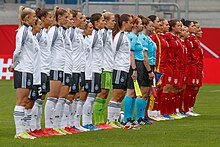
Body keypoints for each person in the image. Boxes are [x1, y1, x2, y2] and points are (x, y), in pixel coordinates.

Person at [9, 6, 37, 139]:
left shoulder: (28, 31)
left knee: (26, 100)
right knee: (21, 100)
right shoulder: (23, 32)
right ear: (27, 18)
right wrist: (14, 64)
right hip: (24, 69)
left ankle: (24, 130)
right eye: (33, 17)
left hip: (28, 69)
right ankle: (19, 132)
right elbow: (17, 50)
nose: (35, 19)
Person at [44, 6, 68, 135]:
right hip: (54, 66)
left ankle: (54, 126)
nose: (67, 19)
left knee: (57, 97)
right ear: (59, 17)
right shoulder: (53, 30)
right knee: (52, 97)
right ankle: (49, 126)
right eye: (65, 17)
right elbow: (48, 48)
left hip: (60, 66)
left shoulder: (60, 30)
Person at [28, 8, 53, 137]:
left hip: (45, 69)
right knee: (36, 98)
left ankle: (37, 127)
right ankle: (33, 127)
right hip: (40, 69)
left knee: (41, 99)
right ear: (43, 18)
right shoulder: (37, 33)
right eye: (49, 17)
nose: (51, 19)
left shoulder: (44, 32)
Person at [107, 14, 133, 128]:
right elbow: (113, 51)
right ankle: (110, 120)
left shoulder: (125, 36)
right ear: (124, 23)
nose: (131, 25)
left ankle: (116, 120)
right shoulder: (119, 36)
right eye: (130, 22)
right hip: (118, 68)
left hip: (125, 69)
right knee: (116, 95)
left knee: (121, 95)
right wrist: (113, 66)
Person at [82, 13, 105, 131]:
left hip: (97, 68)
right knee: (90, 97)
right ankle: (86, 122)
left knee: (93, 95)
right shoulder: (93, 35)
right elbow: (87, 52)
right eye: (102, 20)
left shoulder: (98, 34)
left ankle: (89, 122)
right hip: (92, 69)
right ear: (96, 23)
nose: (104, 22)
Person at [93, 11, 116, 129]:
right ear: (105, 21)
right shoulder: (102, 33)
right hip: (103, 67)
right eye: (112, 20)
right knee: (102, 93)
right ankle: (98, 120)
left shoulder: (108, 33)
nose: (114, 22)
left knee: (105, 93)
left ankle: (101, 119)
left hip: (108, 67)